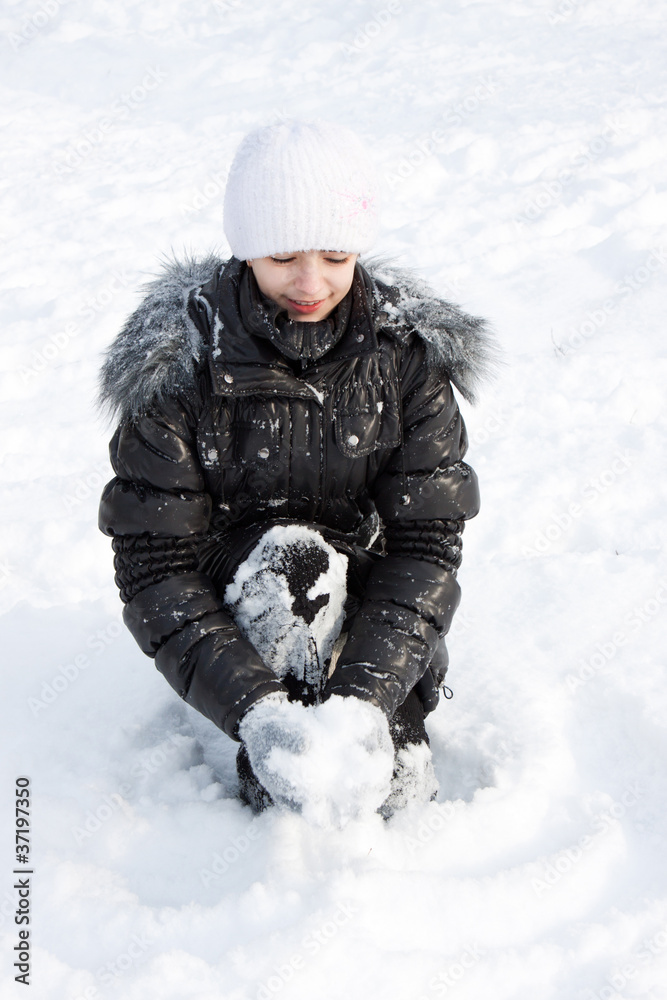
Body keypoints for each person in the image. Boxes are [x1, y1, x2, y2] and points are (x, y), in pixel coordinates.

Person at [97, 119, 495, 824]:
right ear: (247, 249)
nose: (311, 283)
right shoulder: (176, 367)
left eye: (336, 256)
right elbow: (155, 562)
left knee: (393, 791)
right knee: (292, 562)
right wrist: (255, 709)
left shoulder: (406, 359)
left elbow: (426, 543)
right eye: (282, 256)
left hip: (371, 614)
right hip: (232, 614)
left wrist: (369, 698)